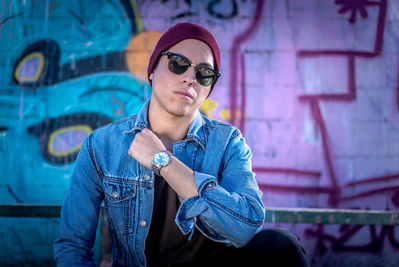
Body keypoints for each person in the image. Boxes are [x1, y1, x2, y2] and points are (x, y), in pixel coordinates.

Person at [54, 22, 309, 267]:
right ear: (152, 70)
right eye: (178, 64)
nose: (190, 78)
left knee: (281, 245)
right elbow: (73, 246)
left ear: (209, 89)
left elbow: (246, 226)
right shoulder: (102, 145)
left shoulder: (227, 142)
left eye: (204, 73)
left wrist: (162, 161)